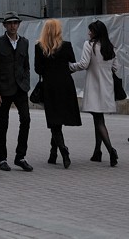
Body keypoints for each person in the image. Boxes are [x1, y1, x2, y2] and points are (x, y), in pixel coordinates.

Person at [0, 11, 33, 172]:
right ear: (5, 25)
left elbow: (26, 65)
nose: (13, 26)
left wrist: (26, 82)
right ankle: (2, 158)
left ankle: (20, 157)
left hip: (20, 88)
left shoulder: (24, 42)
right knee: (3, 123)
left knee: (26, 120)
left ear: (19, 24)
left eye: (15, 23)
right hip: (3, 89)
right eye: (10, 23)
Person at [70, 20, 119, 167]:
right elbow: (116, 67)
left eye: (90, 30)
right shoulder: (110, 47)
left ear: (96, 32)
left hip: (94, 86)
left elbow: (84, 64)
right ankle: (97, 151)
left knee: (98, 120)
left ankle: (111, 150)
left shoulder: (89, 45)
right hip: (107, 86)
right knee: (98, 118)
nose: (88, 33)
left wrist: (70, 67)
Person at [34, 19, 82, 168]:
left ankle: (63, 150)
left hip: (50, 86)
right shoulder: (66, 45)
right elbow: (72, 62)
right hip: (66, 85)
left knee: (54, 120)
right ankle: (53, 153)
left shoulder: (39, 47)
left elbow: (38, 69)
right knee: (57, 120)